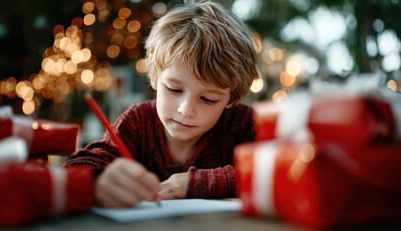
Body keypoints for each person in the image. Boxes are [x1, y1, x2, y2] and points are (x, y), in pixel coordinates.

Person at [65, 0, 260, 208]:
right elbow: (75, 168)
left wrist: (195, 183)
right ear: (156, 79)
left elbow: (272, 171)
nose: (185, 110)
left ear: (231, 99)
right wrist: (99, 180)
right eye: (174, 89)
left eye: (208, 99)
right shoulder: (137, 121)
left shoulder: (244, 124)